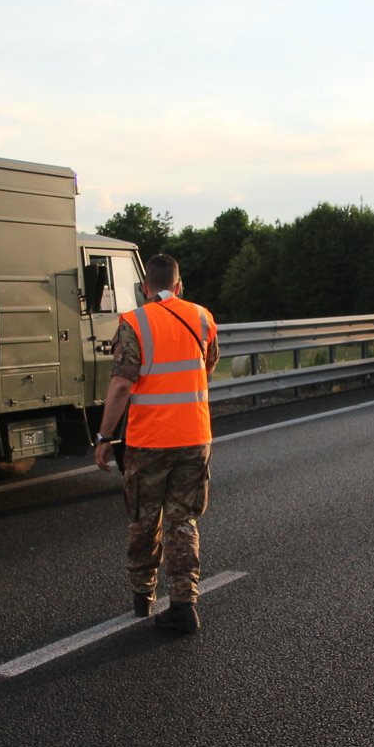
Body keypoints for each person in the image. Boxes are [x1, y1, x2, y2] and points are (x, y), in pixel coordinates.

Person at [93, 254, 219, 634]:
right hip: (194, 436)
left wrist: (104, 436)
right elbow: (207, 365)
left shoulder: (134, 322)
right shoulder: (201, 317)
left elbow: (121, 384)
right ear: (179, 286)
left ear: (144, 288)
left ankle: (142, 596)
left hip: (149, 441)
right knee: (183, 521)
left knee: (145, 521)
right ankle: (184, 605)